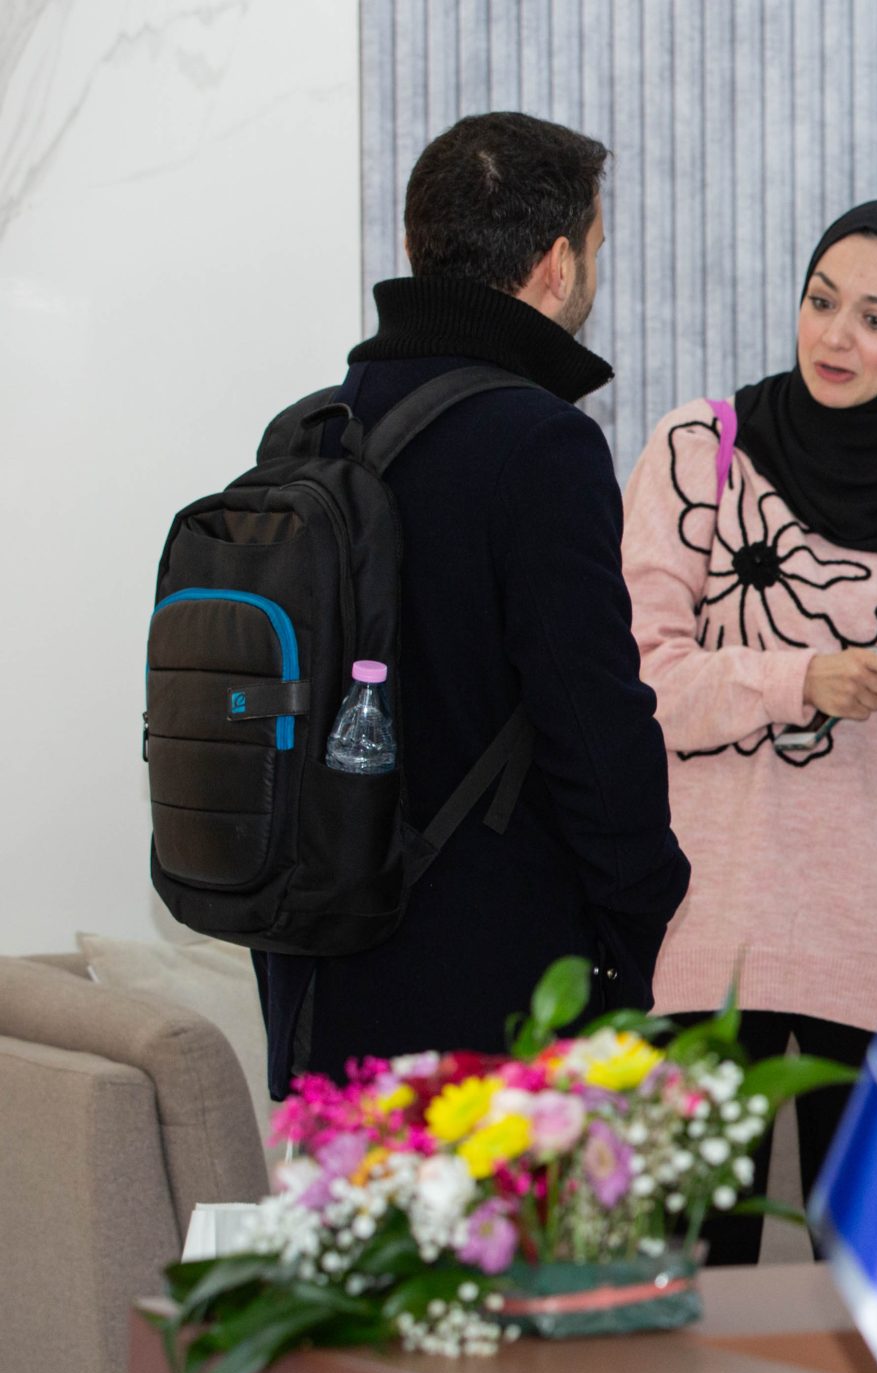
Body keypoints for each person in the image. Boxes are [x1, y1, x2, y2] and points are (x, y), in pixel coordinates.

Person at [256, 112, 690, 1097]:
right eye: (594, 246)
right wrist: (648, 900)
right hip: (489, 989)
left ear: (419, 243)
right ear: (557, 266)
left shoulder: (310, 430)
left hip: (314, 968)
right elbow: (594, 725)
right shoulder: (539, 444)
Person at [623, 200, 877, 1265]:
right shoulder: (700, 451)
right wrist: (801, 677)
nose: (836, 336)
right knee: (695, 1285)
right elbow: (639, 680)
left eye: (876, 319)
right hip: (708, 929)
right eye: (820, 301)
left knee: (872, 1295)